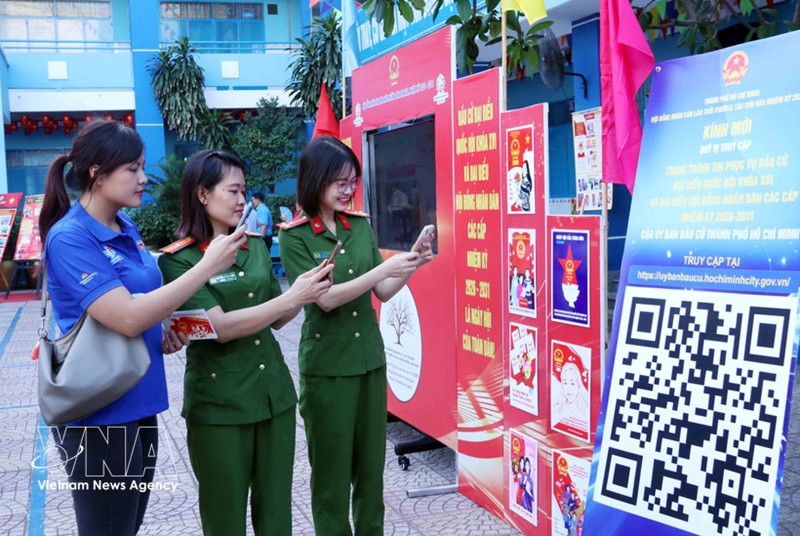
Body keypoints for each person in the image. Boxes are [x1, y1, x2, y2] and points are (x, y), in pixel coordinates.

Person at [39, 120, 246, 536]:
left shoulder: (125, 227)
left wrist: (162, 329)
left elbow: (141, 309)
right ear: (97, 173)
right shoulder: (70, 238)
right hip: (98, 416)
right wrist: (207, 266)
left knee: (125, 525)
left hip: (138, 399)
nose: (143, 178)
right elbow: (127, 316)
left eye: (142, 167)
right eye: (132, 168)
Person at [157, 150, 333, 536]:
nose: (242, 200)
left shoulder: (253, 246)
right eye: (232, 191)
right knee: (225, 517)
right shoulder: (179, 260)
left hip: (273, 397)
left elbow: (278, 318)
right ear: (202, 194)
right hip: (220, 404)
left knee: (276, 514)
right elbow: (219, 327)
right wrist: (292, 297)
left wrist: (309, 289)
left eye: (243, 191)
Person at [279, 136, 434, 535]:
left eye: (353, 181)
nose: (348, 190)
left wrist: (412, 263)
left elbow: (382, 291)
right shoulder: (295, 236)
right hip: (328, 368)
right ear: (316, 180)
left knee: (371, 472)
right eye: (340, 182)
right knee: (331, 476)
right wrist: (383, 269)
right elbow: (325, 299)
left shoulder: (359, 225)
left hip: (369, 362)